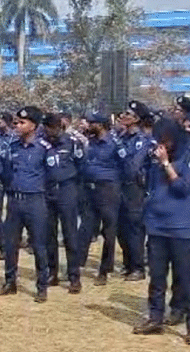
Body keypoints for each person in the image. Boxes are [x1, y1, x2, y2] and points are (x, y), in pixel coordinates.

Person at [131, 117, 190, 345]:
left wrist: (167, 164)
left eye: (166, 140)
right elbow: (133, 171)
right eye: (159, 140)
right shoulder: (154, 156)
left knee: (188, 280)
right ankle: (155, 318)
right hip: (157, 226)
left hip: (182, 227)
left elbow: (183, 189)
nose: (162, 144)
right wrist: (147, 154)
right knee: (157, 277)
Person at [0, 106, 53, 303]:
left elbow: (52, 176)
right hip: (14, 201)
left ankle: (42, 285)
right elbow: (4, 173)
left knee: (38, 245)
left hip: (35, 201)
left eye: (22, 123)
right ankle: (10, 281)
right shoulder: (12, 147)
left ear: (34, 126)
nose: (18, 126)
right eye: (16, 123)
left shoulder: (44, 149)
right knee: (11, 244)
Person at [78, 110, 127, 286]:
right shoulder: (89, 142)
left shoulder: (115, 143)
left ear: (101, 125)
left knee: (108, 231)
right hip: (90, 189)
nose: (88, 126)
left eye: (92, 123)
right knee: (85, 228)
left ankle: (104, 269)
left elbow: (126, 167)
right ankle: (78, 263)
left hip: (108, 191)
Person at [42, 113, 84, 293]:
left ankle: (74, 275)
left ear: (60, 127)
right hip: (48, 191)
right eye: (47, 128)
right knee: (49, 235)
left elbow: (82, 165)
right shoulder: (41, 143)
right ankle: (53, 272)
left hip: (67, 189)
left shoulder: (72, 142)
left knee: (70, 234)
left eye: (52, 128)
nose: (50, 132)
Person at [117, 100, 154, 282]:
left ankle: (138, 267)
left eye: (128, 114)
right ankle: (128, 264)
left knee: (134, 228)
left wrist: (121, 151)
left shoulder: (143, 141)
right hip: (119, 186)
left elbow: (133, 167)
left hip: (135, 188)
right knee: (121, 228)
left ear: (137, 119)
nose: (123, 117)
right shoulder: (121, 137)